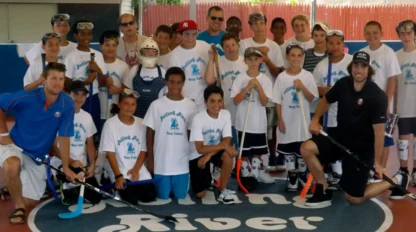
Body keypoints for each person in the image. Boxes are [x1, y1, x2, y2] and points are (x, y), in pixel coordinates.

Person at [300, 51, 410, 207]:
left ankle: (397, 180)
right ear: (351, 67)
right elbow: (327, 99)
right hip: (340, 138)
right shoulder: (343, 84)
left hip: (361, 148)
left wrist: (377, 163)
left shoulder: (377, 96)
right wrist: (315, 119)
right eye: (356, 65)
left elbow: (379, 133)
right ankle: (322, 188)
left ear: (369, 69)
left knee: (354, 198)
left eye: (363, 66)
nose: (359, 70)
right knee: (307, 148)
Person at [0, 62, 78, 224]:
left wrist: (66, 166)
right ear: (43, 79)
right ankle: (18, 206)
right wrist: (3, 134)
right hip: (14, 145)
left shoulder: (67, 104)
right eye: (53, 78)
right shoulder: (27, 96)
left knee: (32, 202)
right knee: (12, 165)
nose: (57, 83)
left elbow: (64, 136)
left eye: (61, 79)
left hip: (37, 155)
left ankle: (11, 186)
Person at [238, 12, 284, 175]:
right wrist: (258, 51)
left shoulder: (273, 46)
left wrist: (265, 57)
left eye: (261, 23)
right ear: (250, 26)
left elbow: (278, 71)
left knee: (270, 129)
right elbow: (243, 65)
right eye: (254, 24)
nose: (258, 26)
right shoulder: (243, 44)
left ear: (266, 25)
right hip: (248, 93)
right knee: (248, 130)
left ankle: (270, 159)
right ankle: (247, 164)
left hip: (267, 93)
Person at [143, 67, 197, 199]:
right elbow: (149, 133)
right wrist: (150, 158)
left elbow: (192, 134)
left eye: (179, 82)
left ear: (183, 83)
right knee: (163, 197)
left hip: (182, 162)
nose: (175, 86)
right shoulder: (156, 105)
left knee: (180, 196)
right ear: (166, 82)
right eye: (172, 82)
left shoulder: (191, 105)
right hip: (161, 162)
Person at [273, 44, 318, 191]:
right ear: (287, 57)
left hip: (302, 122)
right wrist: (280, 119)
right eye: (293, 55)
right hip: (287, 120)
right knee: (288, 150)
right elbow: (277, 101)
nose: (296, 58)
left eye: (299, 55)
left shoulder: (307, 76)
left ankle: (302, 175)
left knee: (302, 150)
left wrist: (303, 87)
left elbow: (312, 98)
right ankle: (292, 175)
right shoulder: (281, 77)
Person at [100, 89, 156, 204]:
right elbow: (110, 153)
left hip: (137, 168)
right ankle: (108, 180)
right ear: (119, 104)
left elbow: (143, 150)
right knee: (131, 199)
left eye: (133, 104)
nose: (129, 107)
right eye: (126, 103)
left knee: (149, 196)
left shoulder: (141, 123)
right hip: (119, 169)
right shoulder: (110, 124)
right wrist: (118, 176)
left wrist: (136, 170)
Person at [312, 30, 352, 189]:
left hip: (349, 114)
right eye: (331, 43)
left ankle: (352, 172)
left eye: (338, 43)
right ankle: (336, 173)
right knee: (333, 142)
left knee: (350, 143)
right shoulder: (322, 66)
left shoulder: (352, 62)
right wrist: (321, 91)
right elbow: (314, 88)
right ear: (326, 45)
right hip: (330, 114)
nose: (334, 47)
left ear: (343, 44)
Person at [361, 21, 401, 175]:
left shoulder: (388, 52)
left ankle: (381, 171)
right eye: (368, 33)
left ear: (381, 33)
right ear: (364, 35)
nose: (372, 36)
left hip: (382, 104)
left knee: (384, 138)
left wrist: (387, 102)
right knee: (368, 137)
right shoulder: (363, 53)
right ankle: (370, 168)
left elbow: (392, 79)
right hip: (365, 105)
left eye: (375, 32)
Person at [231, 47, 275, 185]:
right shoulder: (240, 78)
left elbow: (264, 102)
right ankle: (245, 175)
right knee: (244, 152)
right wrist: (247, 88)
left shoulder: (265, 79)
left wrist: (258, 87)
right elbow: (236, 100)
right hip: (243, 123)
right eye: (250, 59)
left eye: (256, 59)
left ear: (261, 60)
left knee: (258, 151)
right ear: (245, 61)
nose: (253, 62)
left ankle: (255, 175)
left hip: (258, 123)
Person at [55, 80, 101, 205]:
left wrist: (92, 165)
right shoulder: (58, 114)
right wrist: (69, 161)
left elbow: (90, 144)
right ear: (67, 94)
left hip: (80, 165)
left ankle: (74, 186)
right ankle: (64, 185)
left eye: (83, 94)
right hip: (62, 163)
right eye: (76, 94)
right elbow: (52, 147)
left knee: (96, 197)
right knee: (76, 182)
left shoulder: (87, 117)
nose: (80, 98)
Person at [189, 85, 238, 203]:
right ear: (205, 102)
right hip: (197, 155)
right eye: (212, 101)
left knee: (228, 155)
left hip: (212, 152)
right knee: (200, 194)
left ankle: (222, 189)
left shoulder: (226, 114)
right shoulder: (198, 119)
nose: (216, 105)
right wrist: (223, 146)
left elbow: (227, 141)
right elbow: (200, 149)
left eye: (219, 101)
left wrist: (209, 155)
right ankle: (210, 175)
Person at [64, 20, 109, 132]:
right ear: (76, 35)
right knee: (78, 130)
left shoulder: (98, 55)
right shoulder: (71, 56)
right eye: (82, 34)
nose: (86, 37)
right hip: (77, 99)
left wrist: (98, 70)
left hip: (93, 98)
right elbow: (66, 84)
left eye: (89, 34)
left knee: (93, 131)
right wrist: (85, 83)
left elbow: (103, 83)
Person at [205, 32, 247, 148]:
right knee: (228, 146)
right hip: (226, 111)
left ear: (238, 46)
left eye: (233, 45)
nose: (231, 48)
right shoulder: (218, 62)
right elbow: (209, 81)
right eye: (227, 46)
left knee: (243, 147)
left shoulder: (245, 62)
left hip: (243, 110)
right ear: (222, 48)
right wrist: (211, 60)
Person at [168, 19, 210, 111]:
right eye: (187, 34)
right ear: (180, 35)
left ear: (197, 33)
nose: (190, 37)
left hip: (205, 102)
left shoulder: (205, 47)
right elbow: (173, 82)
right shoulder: (174, 56)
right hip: (185, 102)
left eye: (193, 34)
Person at [395, 20, 416, 190]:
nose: (406, 36)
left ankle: (415, 170)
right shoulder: (396, 56)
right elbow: (393, 83)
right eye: (402, 33)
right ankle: (403, 171)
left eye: (409, 32)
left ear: (415, 34)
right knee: (403, 140)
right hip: (403, 105)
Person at [123, 37, 166, 119]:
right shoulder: (134, 70)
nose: (150, 53)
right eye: (146, 50)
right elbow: (127, 92)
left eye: (153, 51)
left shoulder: (163, 72)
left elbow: (165, 96)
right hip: (136, 115)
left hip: (156, 116)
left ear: (157, 53)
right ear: (140, 52)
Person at [98, 30, 129, 130]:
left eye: (113, 45)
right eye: (107, 45)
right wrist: (103, 83)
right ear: (101, 46)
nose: (110, 48)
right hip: (97, 111)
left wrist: (118, 90)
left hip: (114, 112)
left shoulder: (123, 66)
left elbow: (128, 89)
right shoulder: (96, 64)